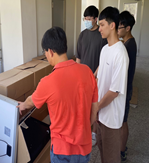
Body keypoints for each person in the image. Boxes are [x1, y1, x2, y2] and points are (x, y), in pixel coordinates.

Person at [18, 27, 98, 163]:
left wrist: (22, 105)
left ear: (50, 51)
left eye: (45, 53)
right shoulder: (88, 72)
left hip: (62, 151)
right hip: (84, 147)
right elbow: (94, 112)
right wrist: (82, 131)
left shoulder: (48, 81)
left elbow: (31, 102)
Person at [97, 7, 129, 163]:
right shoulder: (104, 49)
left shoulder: (120, 54)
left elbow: (114, 91)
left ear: (112, 25)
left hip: (111, 118)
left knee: (111, 157)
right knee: (102, 151)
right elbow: (101, 72)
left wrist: (96, 106)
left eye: (102, 25)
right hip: (101, 114)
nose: (99, 29)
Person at [76, 6, 107, 146]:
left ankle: (94, 133)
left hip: (96, 78)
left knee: (95, 105)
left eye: (89, 19)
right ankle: (83, 129)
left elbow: (104, 59)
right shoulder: (82, 35)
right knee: (82, 104)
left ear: (96, 19)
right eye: (85, 19)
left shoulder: (101, 36)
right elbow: (78, 57)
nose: (87, 21)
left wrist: (96, 75)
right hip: (82, 77)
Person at [118, 11, 137, 162]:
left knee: (123, 121)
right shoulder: (127, 42)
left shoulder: (129, 45)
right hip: (125, 88)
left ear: (128, 28)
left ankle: (122, 151)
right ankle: (122, 146)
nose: (117, 30)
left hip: (125, 89)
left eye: (120, 27)